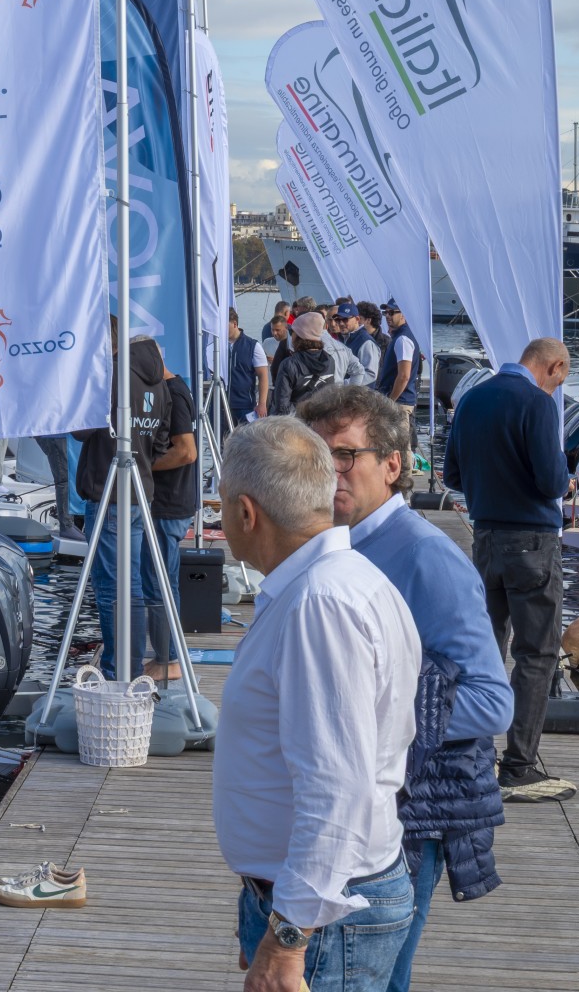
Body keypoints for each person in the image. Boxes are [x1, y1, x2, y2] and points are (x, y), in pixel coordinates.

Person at [298, 387, 514, 991]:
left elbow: (493, 701)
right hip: (353, 807)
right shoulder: (336, 544)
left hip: (411, 814)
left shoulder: (426, 556)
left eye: (346, 455)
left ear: (393, 465)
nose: (329, 471)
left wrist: (369, 716)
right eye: (316, 456)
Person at [213, 417, 421, 992]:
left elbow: (336, 788)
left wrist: (287, 939)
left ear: (247, 513)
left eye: (222, 503)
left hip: (323, 917)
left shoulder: (320, 605)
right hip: (309, 902)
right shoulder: (343, 581)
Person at [444, 337, 577, 803]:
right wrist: (566, 478)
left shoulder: (472, 399)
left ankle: (475, 756)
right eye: (560, 380)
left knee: (485, 650)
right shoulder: (537, 404)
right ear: (553, 366)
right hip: (533, 543)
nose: (557, 388)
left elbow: (452, 476)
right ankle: (519, 766)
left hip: (485, 538)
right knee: (536, 654)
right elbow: (551, 482)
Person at [73, 319, 171, 679]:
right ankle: (128, 665)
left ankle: (119, 671)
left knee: (112, 588)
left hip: (109, 492)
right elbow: (161, 443)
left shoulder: (109, 375)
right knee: (131, 586)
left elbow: (80, 429)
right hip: (139, 490)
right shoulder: (159, 382)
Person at [145, 363, 198, 680]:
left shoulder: (174, 393)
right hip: (171, 501)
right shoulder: (173, 389)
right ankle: (167, 655)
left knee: (159, 583)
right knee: (159, 580)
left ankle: (170, 659)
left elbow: (187, 452)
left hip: (169, 502)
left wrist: (143, 466)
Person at [374, 299, 421, 472]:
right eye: (386, 312)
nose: (388, 316)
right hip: (399, 399)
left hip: (399, 402)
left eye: (392, 312)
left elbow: (404, 376)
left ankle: (404, 479)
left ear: (404, 315)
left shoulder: (403, 339)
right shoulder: (401, 337)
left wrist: (391, 400)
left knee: (401, 445)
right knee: (396, 444)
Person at [269, 311, 336, 416]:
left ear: (300, 335)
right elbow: (330, 397)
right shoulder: (330, 360)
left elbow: (282, 407)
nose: (290, 335)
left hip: (296, 422)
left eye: (292, 332)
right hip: (321, 419)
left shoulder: (289, 364)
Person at [34, 434, 85, 542]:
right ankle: (66, 525)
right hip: (56, 435)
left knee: (68, 476)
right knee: (64, 478)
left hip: (58, 434)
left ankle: (69, 524)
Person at [227, 306, 270, 430]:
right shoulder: (217, 346)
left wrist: (262, 403)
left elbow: (263, 376)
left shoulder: (253, 346)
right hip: (220, 404)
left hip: (244, 405)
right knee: (220, 440)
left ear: (234, 324)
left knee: (245, 440)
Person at [337, 302, 381, 385]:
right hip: (344, 391)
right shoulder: (342, 338)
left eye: (345, 319)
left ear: (357, 319)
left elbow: (370, 374)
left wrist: (344, 385)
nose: (341, 323)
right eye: (338, 320)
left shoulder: (366, 342)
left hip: (360, 392)